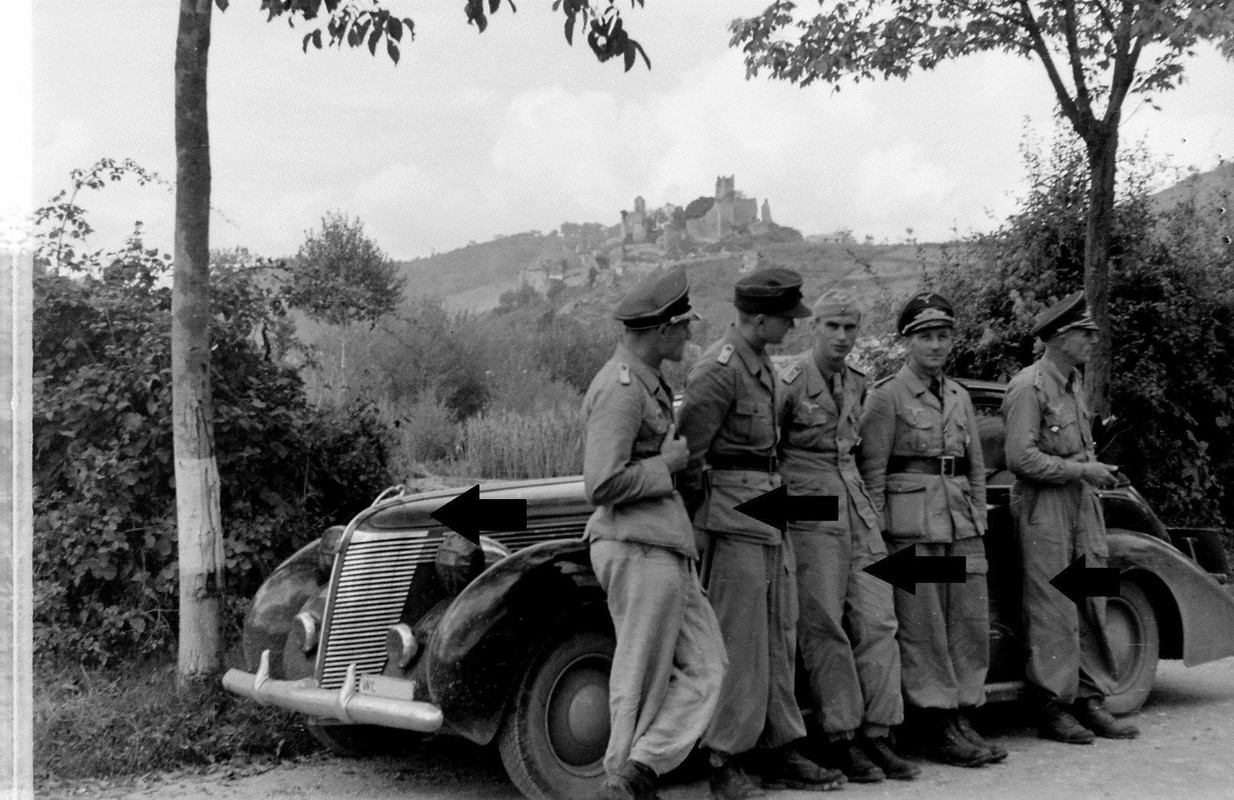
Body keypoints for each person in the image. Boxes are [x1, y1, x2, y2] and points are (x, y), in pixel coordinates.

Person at [678, 268, 844, 799]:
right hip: (731, 515)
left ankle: (781, 744)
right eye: (783, 319)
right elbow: (690, 459)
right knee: (740, 640)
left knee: (780, 630)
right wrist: (700, 531)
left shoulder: (762, 364)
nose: (792, 327)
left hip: (766, 509)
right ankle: (724, 756)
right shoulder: (718, 370)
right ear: (755, 318)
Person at [581, 267, 728, 800]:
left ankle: (638, 770)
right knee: (640, 677)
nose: (688, 337)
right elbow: (600, 483)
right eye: (682, 327)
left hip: (664, 546)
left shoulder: (646, 381)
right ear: (660, 331)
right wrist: (666, 467)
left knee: (708, 666)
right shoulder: (621, 389)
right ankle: (620, 781)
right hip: (636, 545)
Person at [776, 289, 918, 784]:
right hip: (810, 511)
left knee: (879, 620)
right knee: (825, 625)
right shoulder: (788, 382)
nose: (841, 337)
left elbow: (854, 453)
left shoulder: (859, 381)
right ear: (814, 326)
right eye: (832, 327)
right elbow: (767, 456)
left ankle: (879, 733)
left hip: (856, 507)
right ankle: (843, 737)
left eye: (850, 328)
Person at [858, 292, 1004, 767]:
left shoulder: (959, 395)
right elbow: (873, 472)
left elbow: (975, 466)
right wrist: (879, 534)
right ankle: (936, 722)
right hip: (911, 526)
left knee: (966, 620)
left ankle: (963, 714)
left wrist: (978, 514)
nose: (936, 345)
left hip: (959, 520)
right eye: (925, 337)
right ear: (907, 343)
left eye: (943, 336)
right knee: (924, 628)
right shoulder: (886, 396)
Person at [1001, 290, 1140, 744]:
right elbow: (1021, 459)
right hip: (1044, 507)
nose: (1091, 341)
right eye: (1085, 333)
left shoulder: (1073, 382)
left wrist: (1088, 473)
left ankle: (1089, 698)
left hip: (1081, 503)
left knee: (1091, 595)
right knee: (1052, 607)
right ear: (1060, 337)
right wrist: (1084, 470)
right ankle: (1052, 706)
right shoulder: (1028, 386)